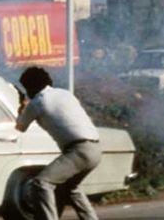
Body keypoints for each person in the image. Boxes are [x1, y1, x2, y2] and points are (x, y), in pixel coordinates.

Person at [15, 67, 101, 220]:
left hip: (77, 150)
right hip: (95, 149)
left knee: (41, 183)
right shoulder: (65, 93)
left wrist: (22, 106)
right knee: (71, 188)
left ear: (30, 87)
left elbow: (20, 127)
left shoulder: (38, 102)